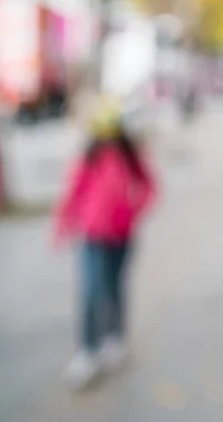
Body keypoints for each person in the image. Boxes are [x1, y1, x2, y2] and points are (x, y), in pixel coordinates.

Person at [53, 97, 157, 389]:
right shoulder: (89, 158)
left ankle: (115, 338)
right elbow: (72, 193)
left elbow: (150, 186)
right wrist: (64, 224)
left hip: (122, 237)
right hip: (92, 237)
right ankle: (88, 350)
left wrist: (133, 211)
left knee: (114, 287)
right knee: (90, 291)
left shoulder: (130, 156)